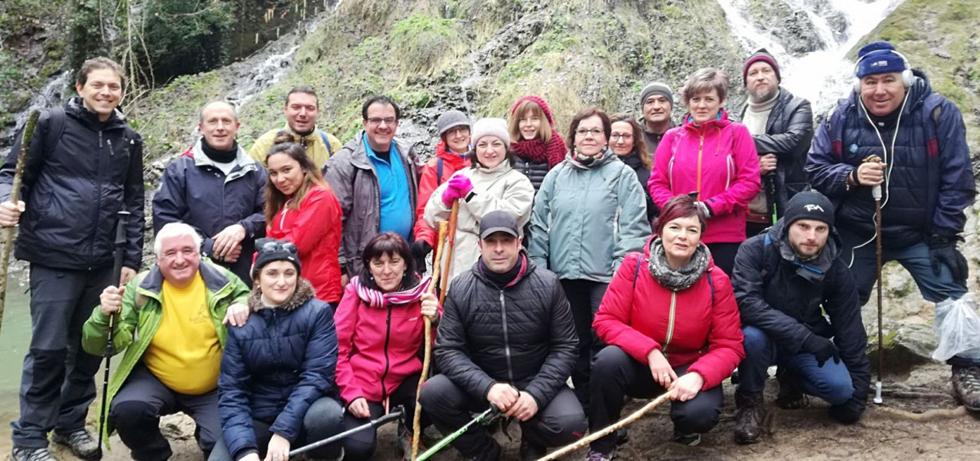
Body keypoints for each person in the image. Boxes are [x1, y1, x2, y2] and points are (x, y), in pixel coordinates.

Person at [806, 40, 978, 408]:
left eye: (888, 80)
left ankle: (968, 368)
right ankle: (847, 368)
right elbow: (815, 168)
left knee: (952, 291)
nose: (879, 90)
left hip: (923, 233)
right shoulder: (841, 116)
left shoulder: (937, 112)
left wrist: (945, 234)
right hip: (860, 231)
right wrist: (851, 176)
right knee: (843, 297)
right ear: (859, 85)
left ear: (906, 81)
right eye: (870, 81)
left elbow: (957, 176)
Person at [0, 56, 145, 461]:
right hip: (53, 254)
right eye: (97, 85)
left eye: (113, 87)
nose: (106, 92)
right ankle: (28, 439)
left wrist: (131, 255)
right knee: (47, 349)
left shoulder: (128, 139)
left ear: (121, 91)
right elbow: (12, 173)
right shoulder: (50, 124)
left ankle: (69, 425)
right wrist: (5, 204)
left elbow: (134, 200)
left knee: (89, 347)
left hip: (105, 260)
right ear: (80, 87)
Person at [587, 195, 744, 460]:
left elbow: (730, 345)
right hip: (641, 365)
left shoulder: (716, 281)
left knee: (699, 414)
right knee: (607, 362)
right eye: (675, 227)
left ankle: (685, 426)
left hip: (687, 366)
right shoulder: (633, 267)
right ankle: (602, 444)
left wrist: (699, 375)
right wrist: (650, 352)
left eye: (692, 230)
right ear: (660, 230)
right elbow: (605, 321)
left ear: (700, 237)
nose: (682, 236)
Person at [420, 211, 585, 461]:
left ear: (519, 243)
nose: (499, 249)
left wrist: (536, 394)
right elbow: (448, 350)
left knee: (571, 424)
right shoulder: (462, 287)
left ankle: (532, 437)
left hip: (533, 378)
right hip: (484, 382)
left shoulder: (548, 284)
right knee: (432, 393)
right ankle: (484, 451)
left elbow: (566, 346)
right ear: (480, 246)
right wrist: (488, 387)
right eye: (491, 242)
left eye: (506, 241)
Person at [80, 223, 251, 461]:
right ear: (158, 259)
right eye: (170, 253)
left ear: (199, 253)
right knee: (128, 410)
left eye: (187, 251)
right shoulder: (140, 287)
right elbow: (103, 347)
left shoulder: (221, 279)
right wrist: (103, 315)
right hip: (157, 377)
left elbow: (247, 294)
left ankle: (207, 438)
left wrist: (243, 304)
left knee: (226, 442)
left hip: (214, 385)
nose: (180, 259)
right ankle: (154, 454)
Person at [529, 107, 650, 405]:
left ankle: (607, 410)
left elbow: (634, 230)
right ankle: (584, 403)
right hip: (563, 276)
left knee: (605, 343)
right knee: (574, 343)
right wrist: (540, 273)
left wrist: (621, 274)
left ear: (606, 138)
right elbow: (539, 225)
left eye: (596, 131)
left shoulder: (623, 176)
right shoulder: (556, 176)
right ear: (573, 138)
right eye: (583, 131)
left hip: (605, 277)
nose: (589, 136)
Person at [731, 191, 871, 443]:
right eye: (803, 226)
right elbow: (747, 304)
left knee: (841, 390)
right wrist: (806, 338)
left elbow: (849, 328)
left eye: (820, 229)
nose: (811, 236)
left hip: (802, 343)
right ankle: (749, 402)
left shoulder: (835, 268)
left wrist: (858, 395)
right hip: (765, 337)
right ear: (787, 225)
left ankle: (791, 377)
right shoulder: (754, 250)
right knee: (751, 337)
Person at [209, 239, 344, 461]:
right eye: (272, 273)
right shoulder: (241, 322)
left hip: (307, 407)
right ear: (257, 280)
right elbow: (232, 391)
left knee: (327, 417)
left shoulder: (317, 313)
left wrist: (283, 431)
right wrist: (245, 450)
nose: (282, 282)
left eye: (289, 273)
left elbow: (317, 377)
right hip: (260, 413)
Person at [334, 232, 438, 460]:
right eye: (378, 263)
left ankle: (410, 428)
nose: (387, 270)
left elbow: (440, 344)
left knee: (438, 396)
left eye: (394, 261)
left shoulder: (421, 293)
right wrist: (351, 394)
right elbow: (337, 350)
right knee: (358, 447)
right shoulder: (356, 293)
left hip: (407, 378)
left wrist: (436, 317)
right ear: (369, 267)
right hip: (365, 382)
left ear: (406, 265)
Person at [648, 68, 761, 276]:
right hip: (678, 236)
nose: (701, 105)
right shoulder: (672, 137)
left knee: (721, 298)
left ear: (721, 101)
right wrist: (679, 211)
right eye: (695, 99)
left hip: (725, 236)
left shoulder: (737, 133)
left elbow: (750, 182)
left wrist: (710, 207)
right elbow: (657, 182)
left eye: (709, 99)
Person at [153, 101, 266, 283]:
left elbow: (272, 213)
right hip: (193, 273)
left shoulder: (255, 171)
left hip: (246, 273)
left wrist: (244, 228)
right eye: (213, 121)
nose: (220, 128)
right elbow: (166, 220)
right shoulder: (180, 170)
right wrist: (207, 247)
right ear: (201, 128)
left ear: (237, 127)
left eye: (226, 121)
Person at [424, 118, 534, 281]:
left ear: (506, 148)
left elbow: (507, 219)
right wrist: (445, 202)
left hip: (495, 265)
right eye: (482, 145)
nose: (489, 151)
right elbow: (431, 219)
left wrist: (470, 195)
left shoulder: (518, 181)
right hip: (453, 267)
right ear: (474, 149)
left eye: (496, 144)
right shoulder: (461, 175)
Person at [325, 95, 420, 277]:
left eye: (389, 120)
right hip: (364, 263)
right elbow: (332, 220)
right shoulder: (344, 163)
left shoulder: (406, 154)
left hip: (404, 260)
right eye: (376, 120)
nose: (383, 126)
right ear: (364, 123)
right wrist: (342, 266)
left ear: (397, 123)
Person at [739, 49, 814, 236]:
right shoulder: (743, 112)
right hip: (747, 210)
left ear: (777, 77)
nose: (761, 77)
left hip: (786, 201)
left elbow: (793, 142)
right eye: (753, 73)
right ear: (746, 82)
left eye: (766, 71)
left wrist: (742, 139)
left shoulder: (798, 106)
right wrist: (755, 166)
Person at [265, 134, 344, 304]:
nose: (280, 179)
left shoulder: (320, 197)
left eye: (287, 170)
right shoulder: (283, 201)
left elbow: (296, 244)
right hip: (286, 290)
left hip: (318, 293)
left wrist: (263, 249)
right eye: (273, 173)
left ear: (304, 168)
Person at [411, 110, 471, 273]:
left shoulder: (482, 160)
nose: (458, 135)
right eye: (452, 132)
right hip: (446, 243)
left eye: (462, 129)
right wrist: (424, 238)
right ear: (444, 137)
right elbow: (425, 210)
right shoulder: (434, 168)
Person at [248, 86, 343, 170]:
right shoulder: (265, 145)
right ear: (285, 110)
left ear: (318, 112)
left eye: (310, 108)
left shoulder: (332, 146)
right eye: (296, 107)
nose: (303, 113)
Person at [508, 95, 567, 190]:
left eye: (534, 118)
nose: (528, 124)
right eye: (523, 120)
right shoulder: (507, 151)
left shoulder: (556, 148)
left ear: (544, 121)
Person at [610, 114, 656, 223]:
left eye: (626, 136)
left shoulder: (647, 174)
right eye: (615, 135)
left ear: (634, 140)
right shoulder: (594, 169)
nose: (620, 141)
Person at [638, 82, 675, 157]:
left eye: (662, 101)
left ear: (671, 106)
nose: (656, 107)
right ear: (642, 109)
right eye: (650, 102)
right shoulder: (633, 137)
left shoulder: (682, 136)